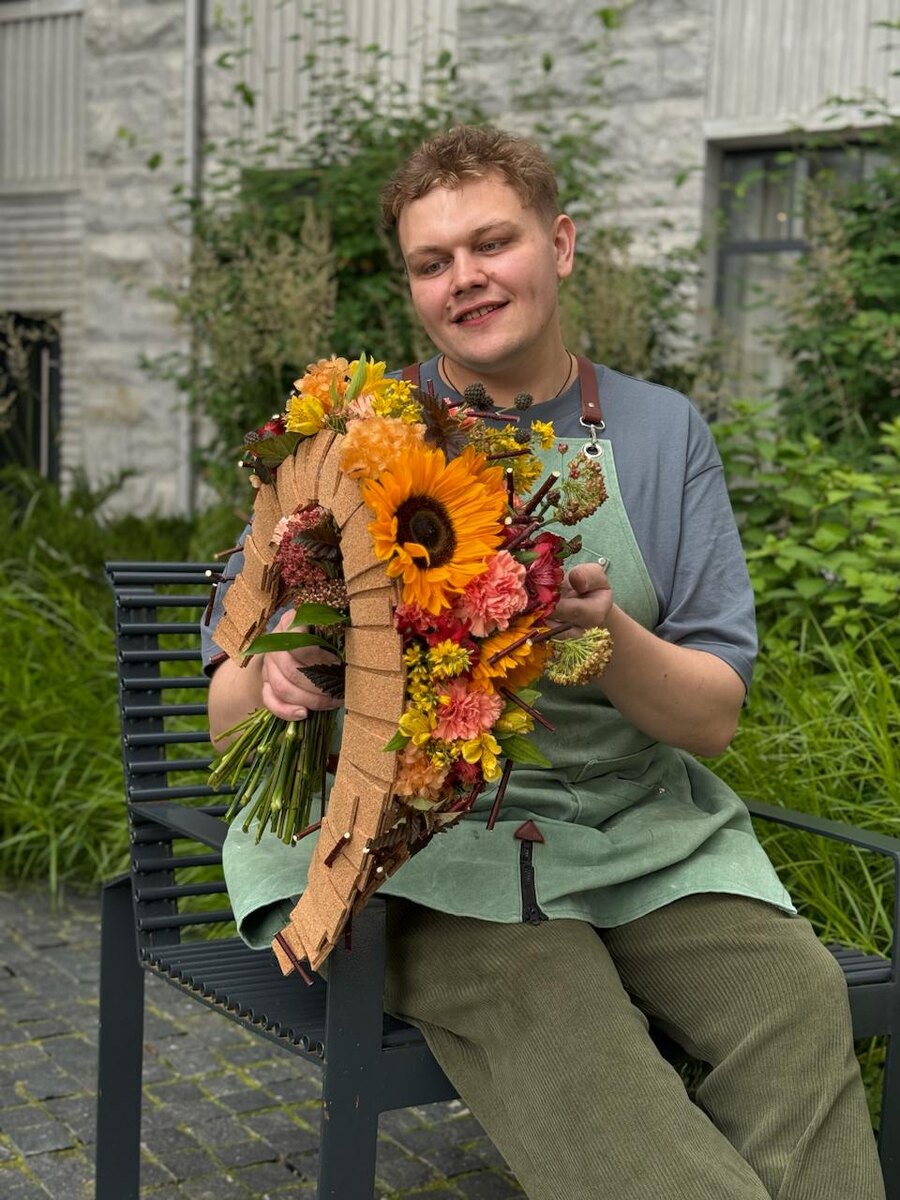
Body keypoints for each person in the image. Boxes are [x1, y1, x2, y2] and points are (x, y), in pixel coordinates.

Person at [203, 125, 885, 1199]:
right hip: (415, 851)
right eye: (432, 262)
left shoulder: (662, 435)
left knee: (794, 997)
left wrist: (600, 640)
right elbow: (227, 715)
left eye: (493, 243)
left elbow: (711, 720)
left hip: (636, 833)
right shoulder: (354, 439)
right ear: (412, 287)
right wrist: (282, 669)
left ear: (559, 245)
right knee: (556, 1002)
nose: (465, 278)